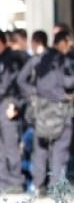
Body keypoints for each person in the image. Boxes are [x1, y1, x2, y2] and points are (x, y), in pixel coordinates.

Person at [17, 30, 74, 194]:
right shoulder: (62, 60)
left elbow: (21, 80)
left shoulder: (37, 59)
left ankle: (38, 186)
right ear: (62, 42)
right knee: (59, 151)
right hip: (61, 110)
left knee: (40, 150)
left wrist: (34, 93)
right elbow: (68, 82)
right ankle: (56, 188)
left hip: (41, 111)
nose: (69, 48)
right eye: (68, 44)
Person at [0, 26, 26, 192]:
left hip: (8, 103)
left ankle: (15, 182)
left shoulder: (12, 59)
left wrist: (16, 105)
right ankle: (3, 181)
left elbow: (18, 84)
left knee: (10, 145)